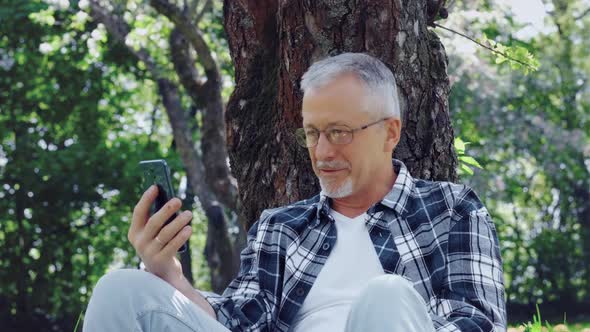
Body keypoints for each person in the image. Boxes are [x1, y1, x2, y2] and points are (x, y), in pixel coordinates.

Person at [83, 53, 506, 332]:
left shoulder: (451, 209)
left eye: (339, 133)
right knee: (120, 288)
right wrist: (168, 273)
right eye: (312, 134)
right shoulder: (280, 227)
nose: (322, 153)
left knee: (387, 293)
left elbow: (478, 322)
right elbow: (237, 321)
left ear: (389, 133)